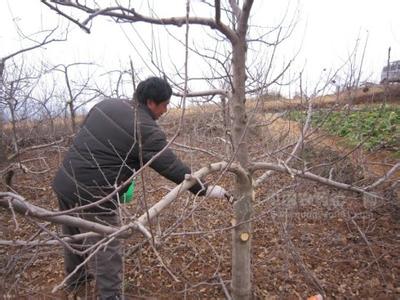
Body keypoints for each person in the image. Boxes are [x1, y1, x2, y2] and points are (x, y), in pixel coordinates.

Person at [52, 77, 228, 299]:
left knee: (73, 234)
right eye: (165, 104)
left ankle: (77, 280)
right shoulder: (144, 128)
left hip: (65, 182)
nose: (167, 109)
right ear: (151, 102)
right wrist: (204, 189)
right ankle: (111, 296)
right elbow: (171, 166)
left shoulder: (106, 105)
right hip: (95, 193)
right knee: (107, 247)